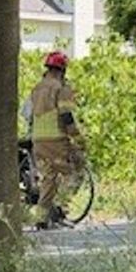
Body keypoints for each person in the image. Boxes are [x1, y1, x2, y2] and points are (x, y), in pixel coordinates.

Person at [28, 50, 86, 230]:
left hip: (37, 140)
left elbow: (28, 115)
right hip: (56, 140)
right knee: (75, 172)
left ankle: (41, 218)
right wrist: (78, 138)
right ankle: (60, 210)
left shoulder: (36, 89)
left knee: (48, 179)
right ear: (63, 70)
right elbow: (66, 115)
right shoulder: (61, 89)